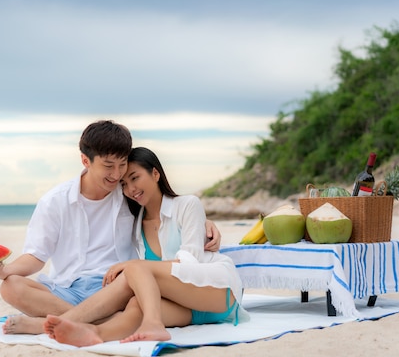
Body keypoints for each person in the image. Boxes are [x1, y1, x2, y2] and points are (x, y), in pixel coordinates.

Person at [0, 121, 222, 334]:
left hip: (118, 287)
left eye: (122, 164)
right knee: (11, 287)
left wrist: (204, 225)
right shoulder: (55, 201)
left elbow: (165, 210)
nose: (116, 174)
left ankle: (69, 322)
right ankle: (88, 321)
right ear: (86, 161)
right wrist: (6, 270)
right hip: (66, 288)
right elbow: (36, 256)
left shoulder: (128, 193)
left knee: (136, 285)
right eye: (109, 166)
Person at [43, 147, 247, 346]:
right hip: (182, 306)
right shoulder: (135, 225)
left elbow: (189, 263)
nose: (130, 189)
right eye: (123, 183)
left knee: (135, 268)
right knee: (135, 304)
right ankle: (96, 333)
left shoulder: (187, 205)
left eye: (135, 177)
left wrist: (134, 266)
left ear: (155, 173)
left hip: (214, 293)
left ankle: (152, 323)